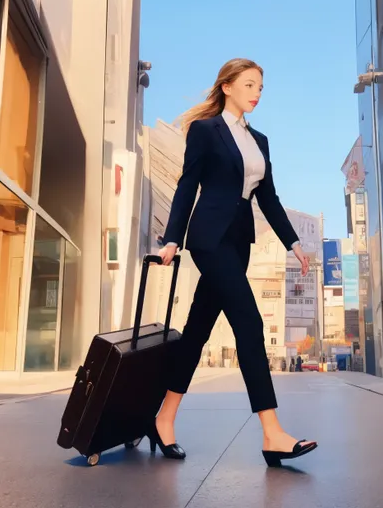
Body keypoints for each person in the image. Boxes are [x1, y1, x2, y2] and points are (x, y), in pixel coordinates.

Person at [150, 58, 318, 467]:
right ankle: (272, 432)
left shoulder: (259, 140)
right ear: (227, 87)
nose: (256, 92)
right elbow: (188, 184)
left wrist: (293, 242)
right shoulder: (205, 131)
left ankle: (163, 419)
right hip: (209, 239)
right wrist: (172, 238)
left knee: (197, 331)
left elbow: (269, 199)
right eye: (248, 84)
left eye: (260, 86)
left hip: (238, 240)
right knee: (249, 322)